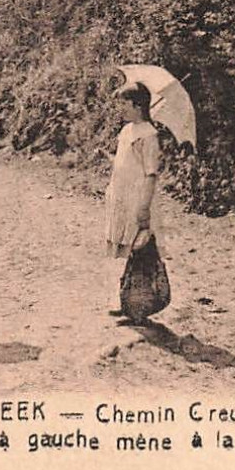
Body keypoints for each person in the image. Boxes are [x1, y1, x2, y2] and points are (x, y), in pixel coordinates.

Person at [104, 80, 162, 317]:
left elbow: (150, 173)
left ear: (138, 106)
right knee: (124, 250)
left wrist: (144, 207)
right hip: (121, 196)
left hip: (137, 199)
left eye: (125, 104)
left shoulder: (149, 135)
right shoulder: (127, 131)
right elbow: (126, 162)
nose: (122, 109)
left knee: (137, 251)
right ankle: (126, 300)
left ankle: (139, 303)